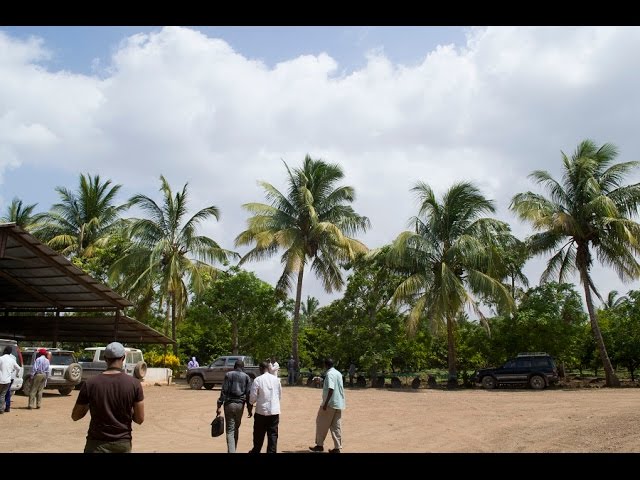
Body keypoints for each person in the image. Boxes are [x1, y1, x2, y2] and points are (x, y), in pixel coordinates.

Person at [71, 341, 144, 453]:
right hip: (122, 443)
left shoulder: (90, 384)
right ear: (123, 358)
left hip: (96, 444)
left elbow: (75, 416)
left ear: (105, 358)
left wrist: (92, 404)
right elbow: (139, 419)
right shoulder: (134, 384)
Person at [216, 359, 253, 453]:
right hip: (240, 405)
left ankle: (232, 451)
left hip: (229, 405)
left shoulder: (228, 375)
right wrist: (249, 409)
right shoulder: (246, 377)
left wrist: (219, 406)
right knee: (235, 428)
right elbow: (248, 394)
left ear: (234, 366)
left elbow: (223, 391)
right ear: (243, 367)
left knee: (230, 430)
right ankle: (232, 450)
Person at [309, 358, 345, 453]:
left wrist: (325, 404)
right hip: (339, 403)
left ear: (325, 365)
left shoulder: (330, 374)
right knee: (336, 426)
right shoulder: (338, 373)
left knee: (321, 423)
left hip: (330, 404)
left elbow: (331, 389)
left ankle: (319, 445)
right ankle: (337, 448)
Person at [248, 361, 282, 453]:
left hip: (261, 412)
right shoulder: (276, 379)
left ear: (260, 368)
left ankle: (256, 450)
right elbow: (279, 395)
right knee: (273, 435)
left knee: (258, 434)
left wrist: (251, 404)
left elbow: (253, 397)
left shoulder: (258, 380)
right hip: (274, 411)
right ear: (268, 368)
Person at [0, 346, 22, 414]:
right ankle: (1, 409)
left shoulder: (1, 358)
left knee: (1, 395)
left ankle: (1, 409)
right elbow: (18, 368)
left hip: (0, 379)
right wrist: (17, 374)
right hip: (7, 381)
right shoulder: (12, 360)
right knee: (3, 395)